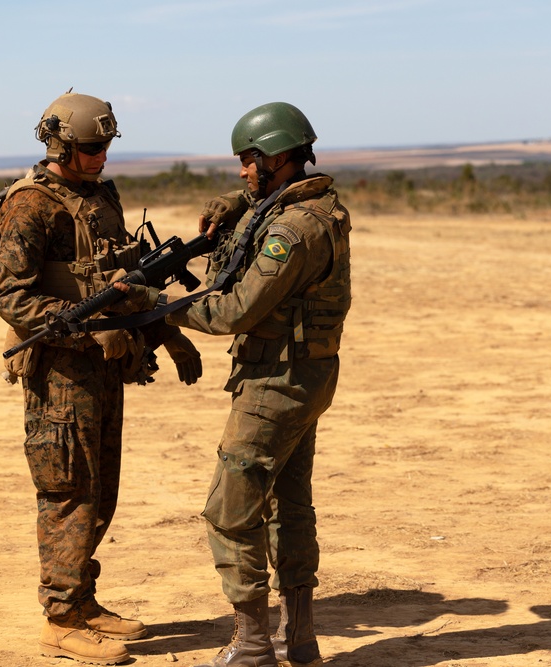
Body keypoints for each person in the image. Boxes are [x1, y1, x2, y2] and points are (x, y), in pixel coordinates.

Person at [118, 101, 351, 667]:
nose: (243, 172)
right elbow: (259, 204)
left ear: (277, 157)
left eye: (249, 162)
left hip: (278, 381)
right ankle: (300, 640)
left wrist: (159, 306)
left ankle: (251, 644)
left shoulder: (292, 231)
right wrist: (233, 203)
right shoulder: (308, 204)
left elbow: (234, 312)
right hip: (304, 373)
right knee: (288, 506)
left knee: (232, 508)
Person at [0, 91, 203, 665]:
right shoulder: (29, 205)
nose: (101, 155)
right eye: (90, 147)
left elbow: (124, 279)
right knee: (66, 490)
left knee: (101, 488)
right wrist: (76, 331)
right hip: (60, 372)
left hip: (105, 367)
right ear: (60, 144)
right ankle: (59, 618)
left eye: (106, 145)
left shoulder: (102, 197)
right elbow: (11, 295)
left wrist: (164, 335)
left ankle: (82, 600)